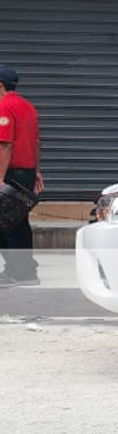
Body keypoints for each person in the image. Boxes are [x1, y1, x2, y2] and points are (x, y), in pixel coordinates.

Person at [0, 65, 42, 287]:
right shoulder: (28, 106)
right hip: (24, 173)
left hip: (10, 173)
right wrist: (35, 171)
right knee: (17, 222)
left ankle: (23, 272)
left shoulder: (5, 106)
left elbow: (4, 145)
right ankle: (19, 270)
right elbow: (36, 141)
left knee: (8, 224)